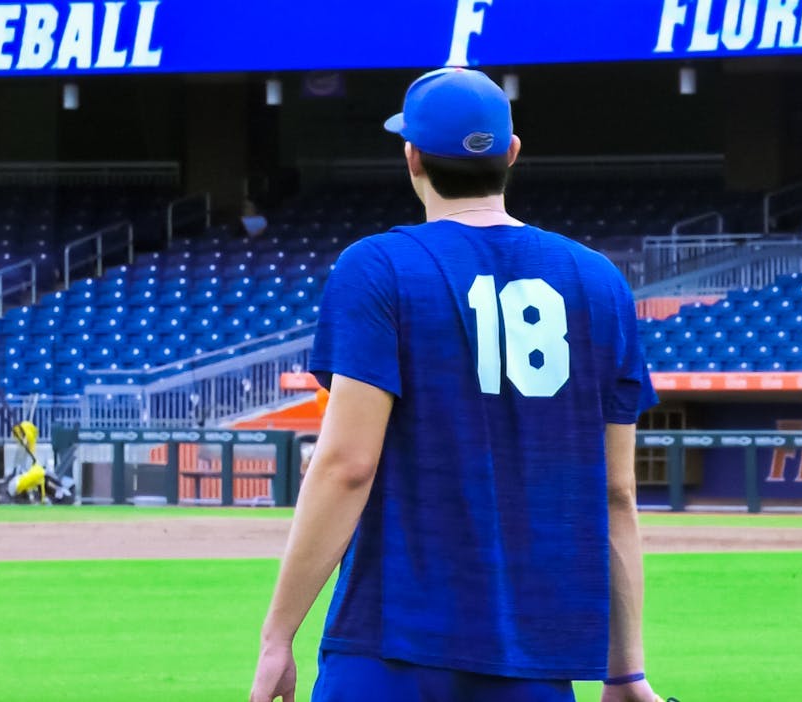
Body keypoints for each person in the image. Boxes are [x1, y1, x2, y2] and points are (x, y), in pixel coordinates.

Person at [250, 68, 664, 702]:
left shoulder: (378, 265)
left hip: (392, 644)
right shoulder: (599, 281)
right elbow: (615, 496)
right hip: (534, 658)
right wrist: (626, 672)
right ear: (512, 153)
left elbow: (347, 467)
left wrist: (279, 636)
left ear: (411, 157)